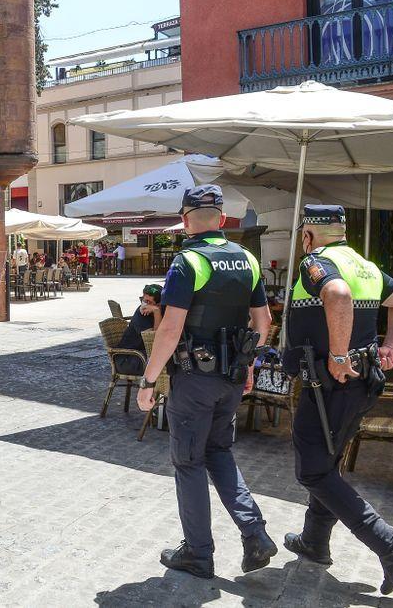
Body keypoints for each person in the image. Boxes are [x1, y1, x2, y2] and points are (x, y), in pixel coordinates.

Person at [282, 205, 393, 596]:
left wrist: (339, 355)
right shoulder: (366, 266)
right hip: (361, 383)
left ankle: (390, 543)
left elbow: (337, 294)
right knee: (328, 461)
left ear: (308, 235)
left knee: (312, 470)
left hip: (329, 385)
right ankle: (314, 540)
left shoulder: (318, 263)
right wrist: (391, 347)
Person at [137, 185, 276, 579]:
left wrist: (149, 381)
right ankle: (254, 533)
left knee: (189, 462)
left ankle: (198, 553)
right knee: (219, 453)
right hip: (231, 378)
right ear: (222, 219)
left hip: (194, 381)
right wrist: (249, 364)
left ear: (184, 220)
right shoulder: (247, 258)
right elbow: (263, 323)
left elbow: (170, 330)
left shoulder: (187, 262)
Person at [113, 283, 163, 375]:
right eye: (144, 300)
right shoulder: (142, 314)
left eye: (149, 302)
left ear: (159, 304)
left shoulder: (158, 312)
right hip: (128, 360)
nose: (145, 304)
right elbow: (153, 340)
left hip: (141, 355)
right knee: (164, 362)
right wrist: (156, 311)